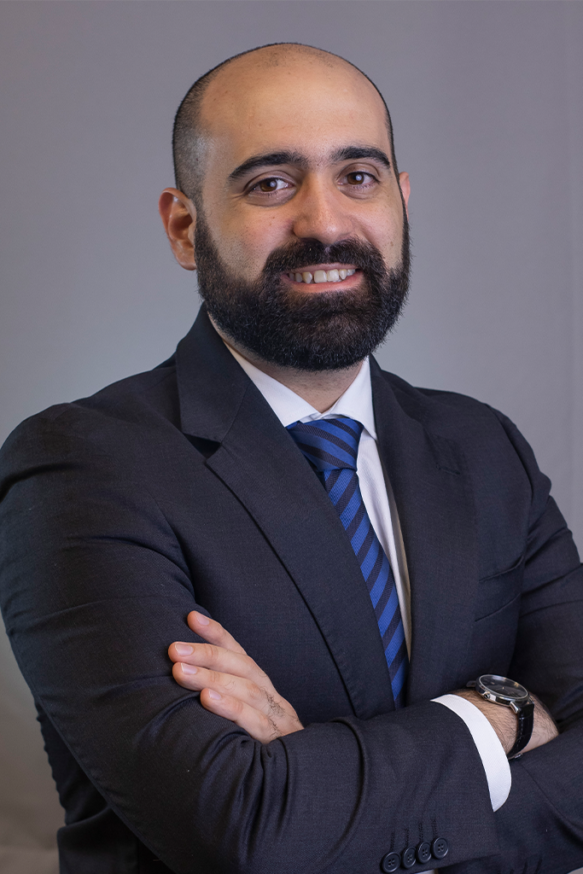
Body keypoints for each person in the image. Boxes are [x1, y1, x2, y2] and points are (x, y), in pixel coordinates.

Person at [0, 42, 582, 874]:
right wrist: (502, 715)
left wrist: (313, 780)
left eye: (358, 176)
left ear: (400, 200)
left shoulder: (484, 449)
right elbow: (241, 827)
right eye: (270, 183)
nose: (326, 223)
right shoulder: (80, 468)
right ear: (184, 226)